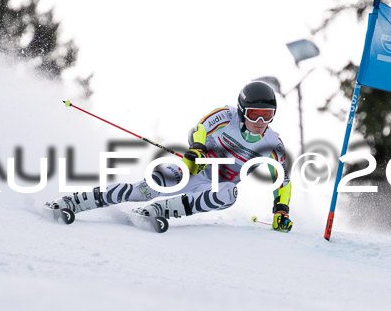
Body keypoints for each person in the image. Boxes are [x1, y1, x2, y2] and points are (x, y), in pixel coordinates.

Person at [47, 80, 293, 231]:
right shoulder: (226, 115)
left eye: (267, 115)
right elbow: (199, 128)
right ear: (242, 111)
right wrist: (197, 149)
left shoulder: (273, 144)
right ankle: (75, 202)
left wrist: (281, 211)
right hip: (191, 169)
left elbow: (282, 179)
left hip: (217, 185)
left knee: (229, 195)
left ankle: (162, 210)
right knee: (142, 190)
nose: (260, 121)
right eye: (253, 114)